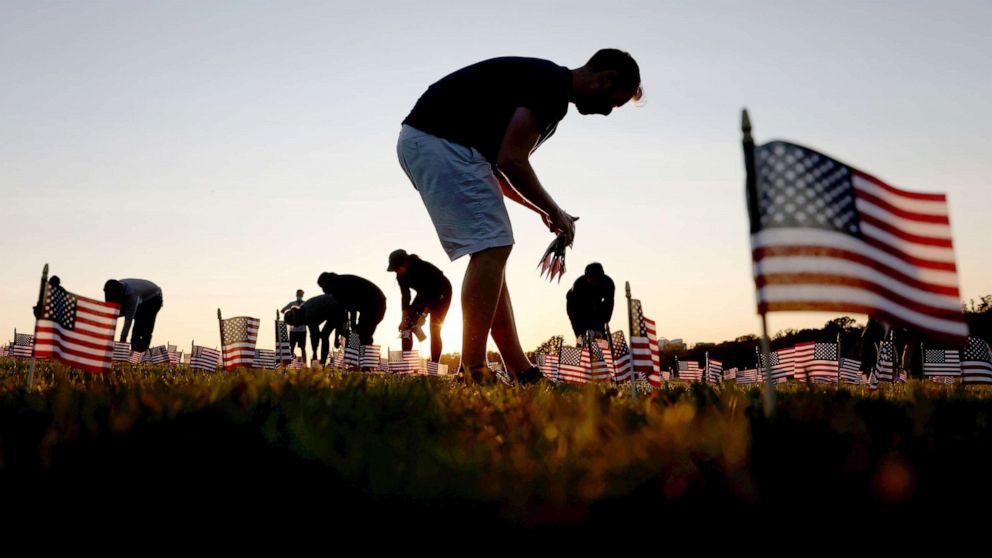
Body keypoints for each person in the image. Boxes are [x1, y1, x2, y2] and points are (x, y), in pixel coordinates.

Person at [396, 49, 642, 384]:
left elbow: (499, 166)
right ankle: (473, 369)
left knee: (492, 255)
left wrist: (546, 210)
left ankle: (521, 371)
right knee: (493, 248)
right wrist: (554, 210)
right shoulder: (552, 89)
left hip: (434, 143)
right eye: (614, 103)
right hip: (441, 140)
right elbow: (513, 161)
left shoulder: (550, 93)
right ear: (607, 78)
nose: (608, 112)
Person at [387, 249, 452, 362]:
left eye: (397, 268)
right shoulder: (400, 275)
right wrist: (404, 317)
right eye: (394, 270)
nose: (396, 272)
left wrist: (424, 315)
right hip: (423, 294)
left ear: (405, 262)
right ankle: (406, 363)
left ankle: (434, 365)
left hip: (441, 292)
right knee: (407, 325)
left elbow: (433, 294)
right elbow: (405, 295)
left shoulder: (422, 268)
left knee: (435, 329)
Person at [316, 272, 386, 345]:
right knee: (361, 334)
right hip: (374, 304)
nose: (323, 290)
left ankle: (363, 354)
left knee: (363, 335)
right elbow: (351, 308)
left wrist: (352, 326)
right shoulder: (341, 281)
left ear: (326, 282)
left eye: (322, 286)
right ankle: (361, 353)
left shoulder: (339, 287)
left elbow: (352, 307)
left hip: (375, 305)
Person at [283, 293, 345, 366]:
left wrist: (315, 352)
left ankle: (322, 363)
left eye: (295, 324)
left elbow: (314, 334)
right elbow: (314, 334)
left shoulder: (307, 314)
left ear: (296, 319)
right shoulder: (304, 311)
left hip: (337, 306)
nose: (297, 325)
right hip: (335, 306)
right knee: (325, 335)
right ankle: (323, 362)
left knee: (324, 336)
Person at [103, 278, 163, 353]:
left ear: (120, 292)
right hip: (139, 297)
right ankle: (135, 350)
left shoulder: (132, 294)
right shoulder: (111, 289)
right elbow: (110, 312)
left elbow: (129, 318)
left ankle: (141, 353)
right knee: (135, 325)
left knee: (141, 327)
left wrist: (123, 338)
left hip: (153, 299)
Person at [566, 262, 615, 344]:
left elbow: (609, 303)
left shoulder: (608, 283)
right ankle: (582, 346)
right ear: (587, 277)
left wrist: (605, 321)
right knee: (582, 335)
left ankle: (602, 347)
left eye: (597, 279)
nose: (595, 281)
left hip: (596, 303)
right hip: (574, 306)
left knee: (599, 331)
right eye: (592, 279)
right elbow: (580, 313)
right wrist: (587, 332)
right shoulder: (579, 286)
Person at [281, 289, 308, 361]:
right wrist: (289, 314)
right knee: (291, 348)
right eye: (299, 294)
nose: (300, 296)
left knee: (303, 348)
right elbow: (282, 310)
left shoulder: (306, 303)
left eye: (301, 294)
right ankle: (291, 362)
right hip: (293, 330)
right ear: (296, 295)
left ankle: (304, 364)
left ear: (303, 295)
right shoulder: (292, 303)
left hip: (302, 330)